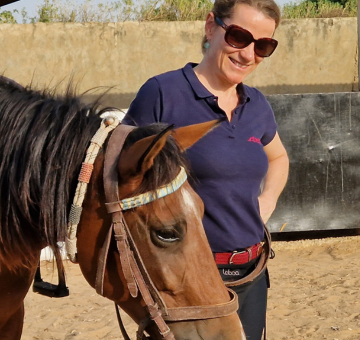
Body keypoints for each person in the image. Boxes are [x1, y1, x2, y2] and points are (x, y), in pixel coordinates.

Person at [122, 0, 289, 338]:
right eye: (239, 37)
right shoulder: (162, 93)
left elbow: (279, 158)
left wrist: (266, 202)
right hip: (190, 279)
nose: (248, 54)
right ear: (211, 26)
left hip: (252, 272)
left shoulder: (257, 105)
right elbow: (123, 172)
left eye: (263, 45)